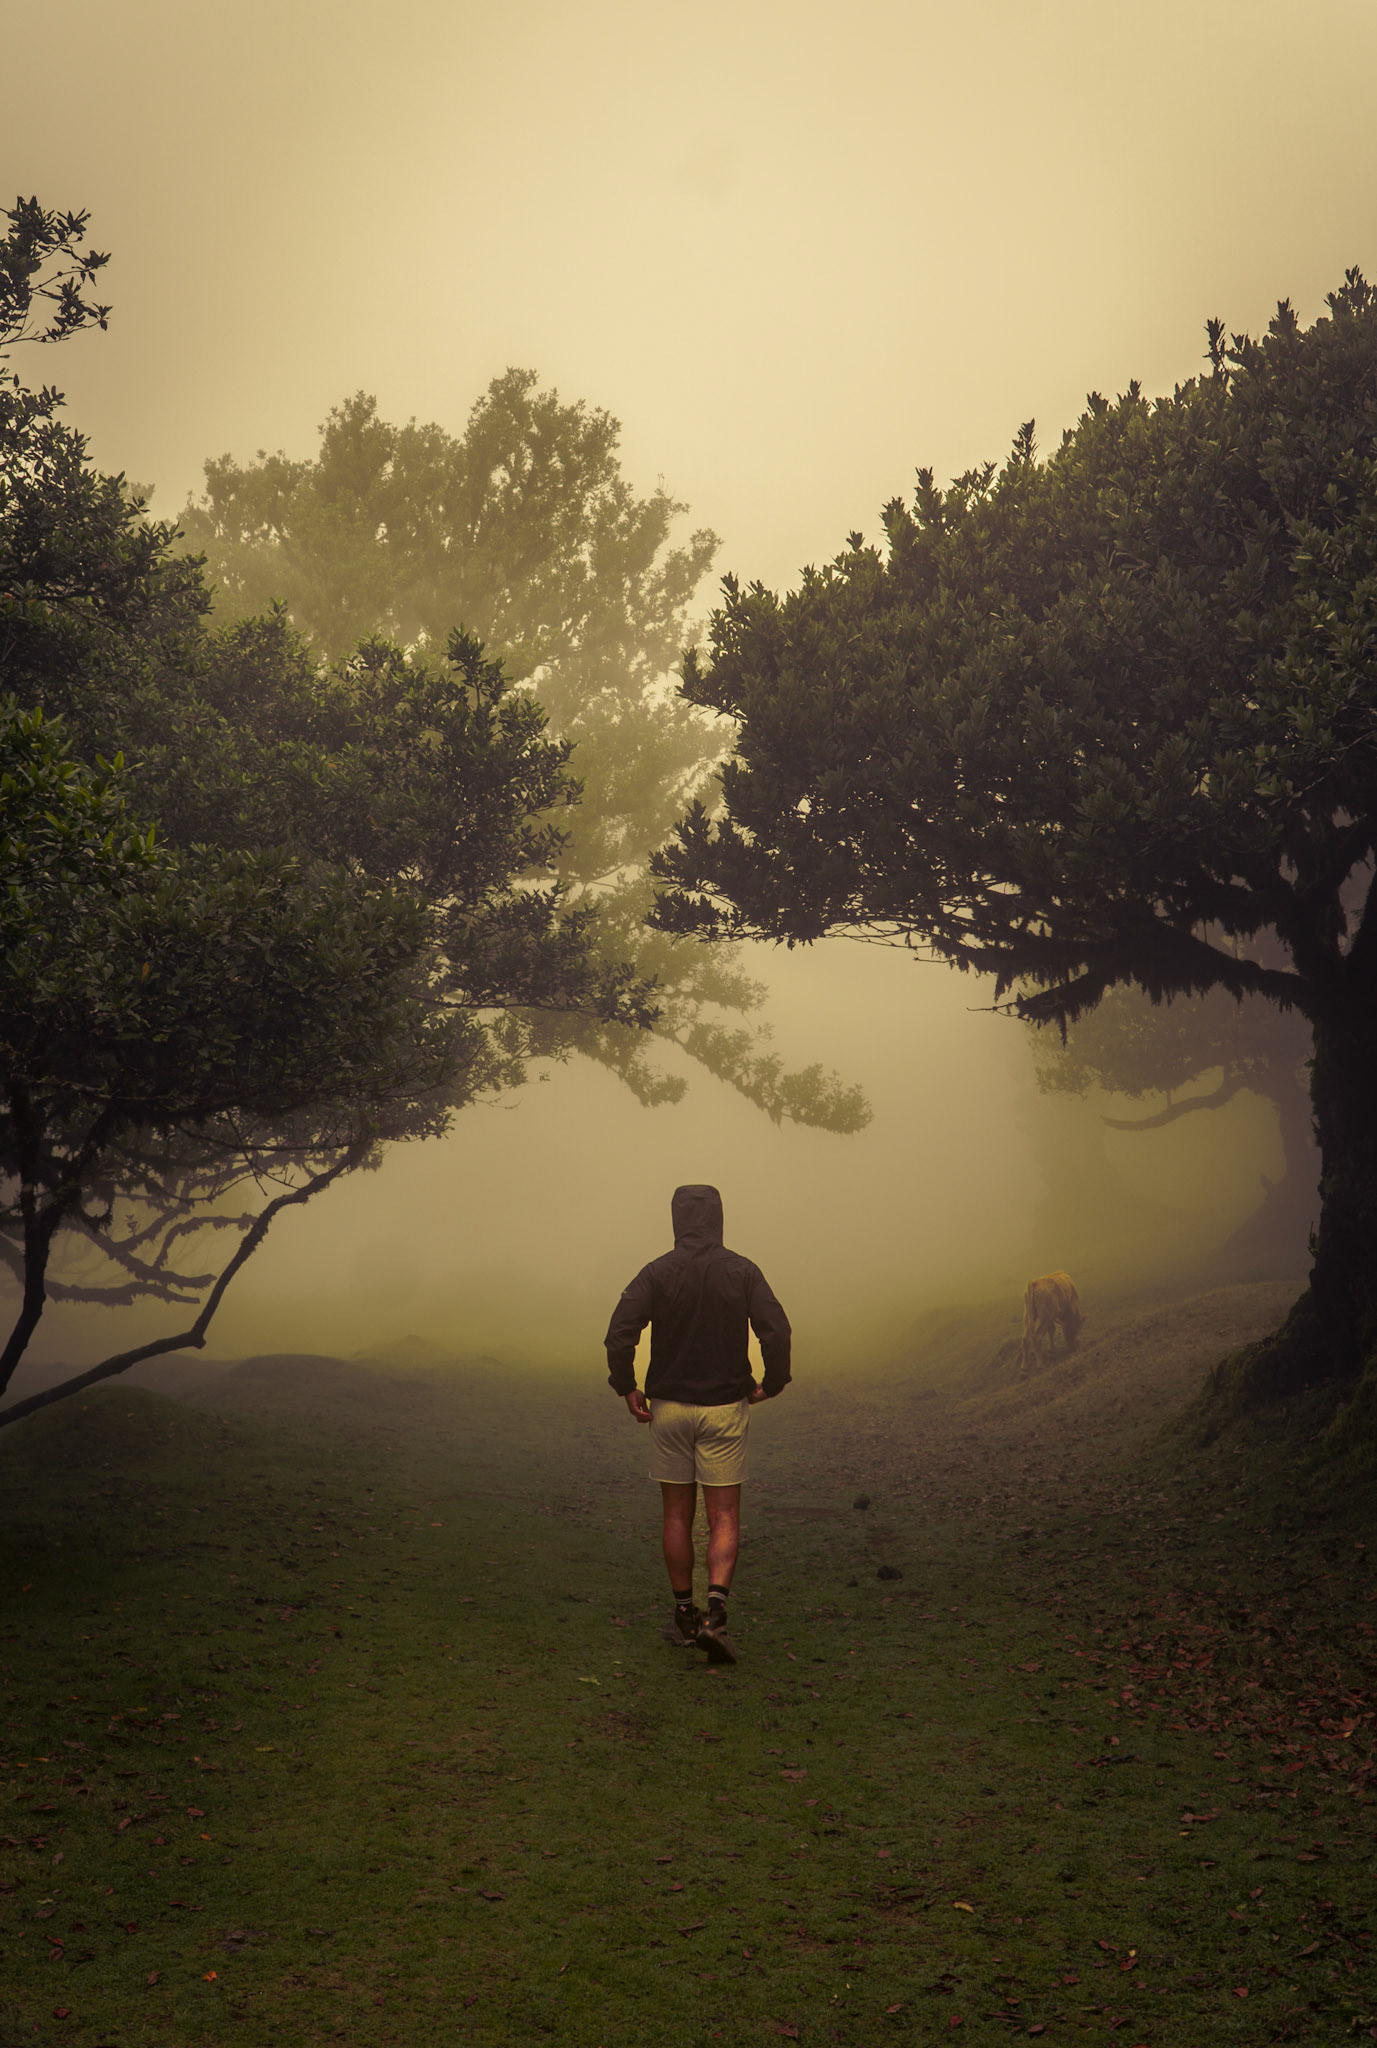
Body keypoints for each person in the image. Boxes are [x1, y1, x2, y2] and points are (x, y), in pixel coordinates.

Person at [603, 1183, 791, 1663]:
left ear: (676, 1219)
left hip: (668, 1408)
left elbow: (619, 1332)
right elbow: (776, 1330)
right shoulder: (743, 1271)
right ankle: (716, 1616)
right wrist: (773, 1382)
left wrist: (627, 1385)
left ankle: (685, 1617)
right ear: (719, 1218)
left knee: (676, 1515)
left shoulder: (656, 1272)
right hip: (725, 1407)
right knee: (724, 1515)